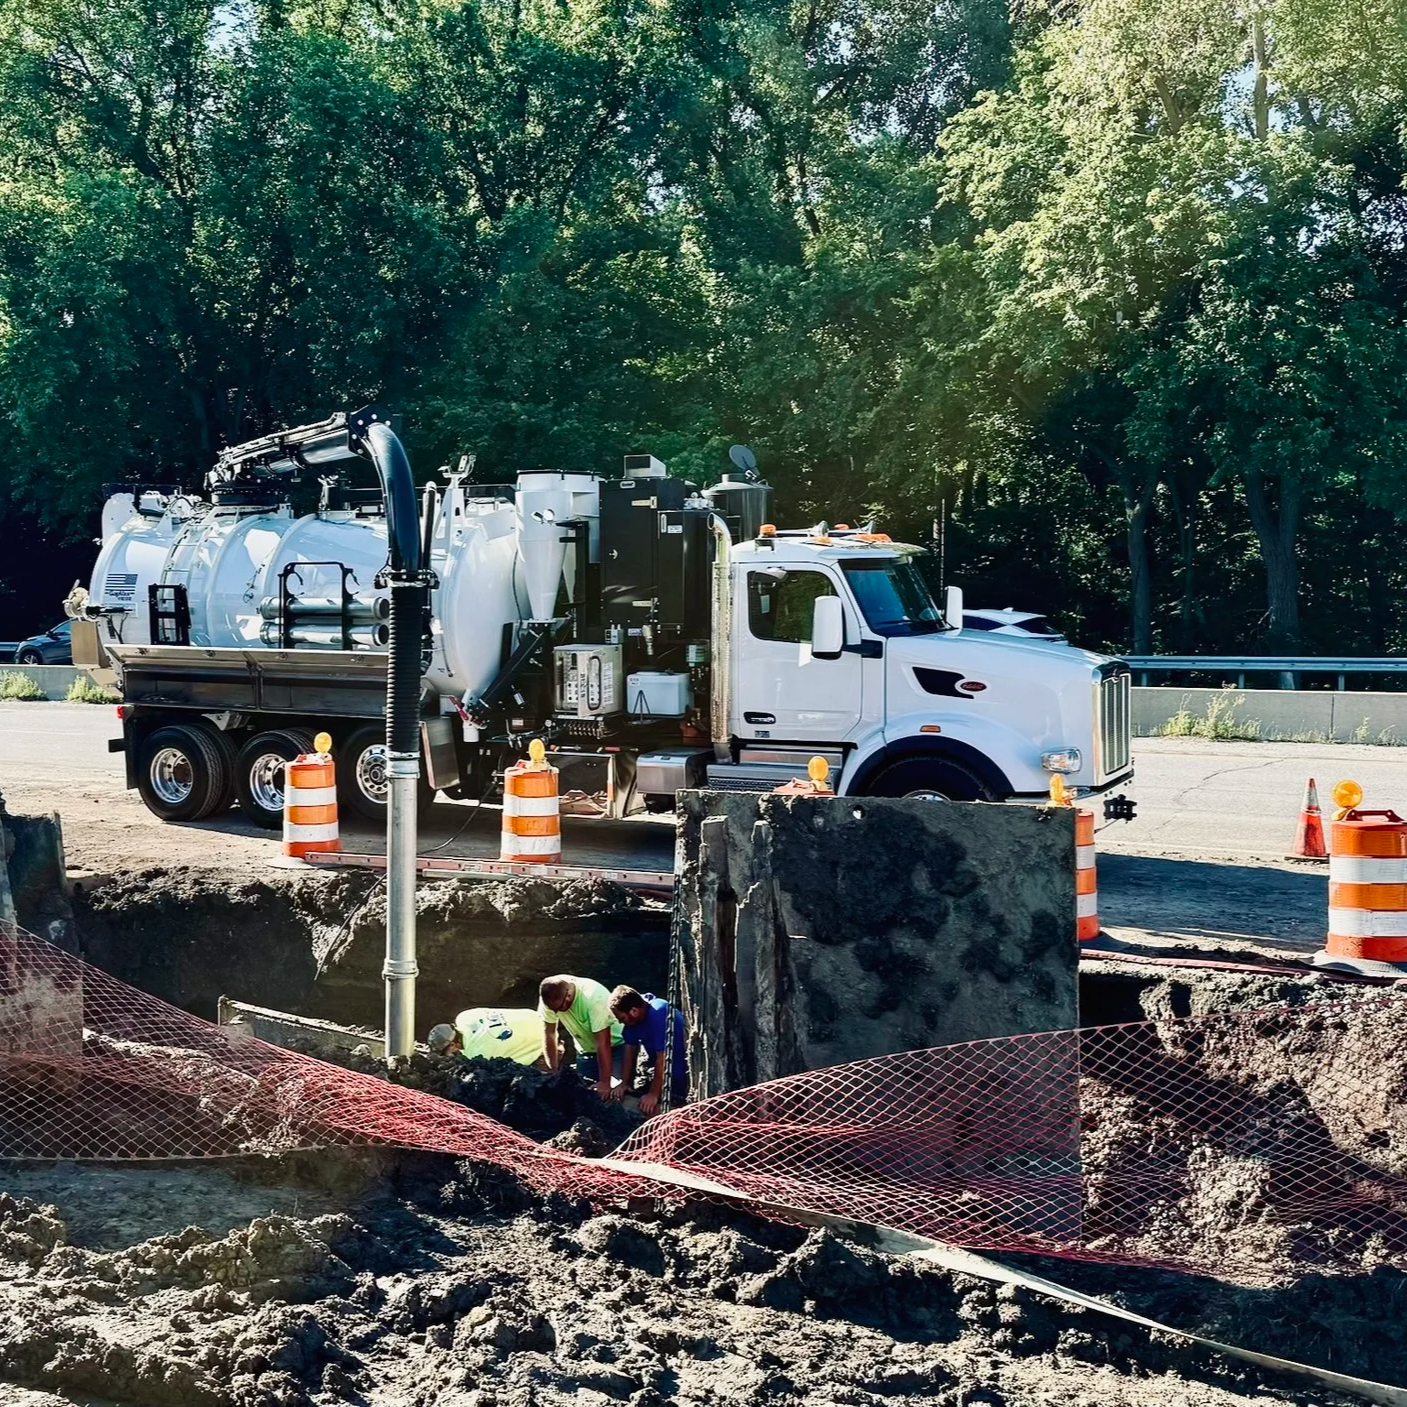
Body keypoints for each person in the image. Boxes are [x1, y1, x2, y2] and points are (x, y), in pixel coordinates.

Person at [537, 974, 624, 1100]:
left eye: (559, 1008)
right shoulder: (550, 996)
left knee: (615, 1093)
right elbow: (549, 1033)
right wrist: (553, 1070)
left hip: (616, 1045)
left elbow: (603, 1042)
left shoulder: (593, 997)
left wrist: (605, 1083)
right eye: (553, 1010)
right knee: (581, 1094)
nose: (556, 1013)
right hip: (586, 1051)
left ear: (568, 996)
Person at [608, 985, 687, 1115]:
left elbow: (664, 1058)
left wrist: (653, 1094)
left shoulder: (659, 1013)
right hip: (664, 1075)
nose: (621, 1022)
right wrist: (624, 1083)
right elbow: (630, 1048)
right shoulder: (635, 1019)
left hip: (683, 1075)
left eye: (621, 1018)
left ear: (634, 1011)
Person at [426, 1008, 544, 1067]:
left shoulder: (476, 1055)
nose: (446, 1056)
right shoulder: (465, 1016)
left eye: (444, 1052)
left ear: (452, 1044)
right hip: (537, 1017)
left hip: (543, 1042)